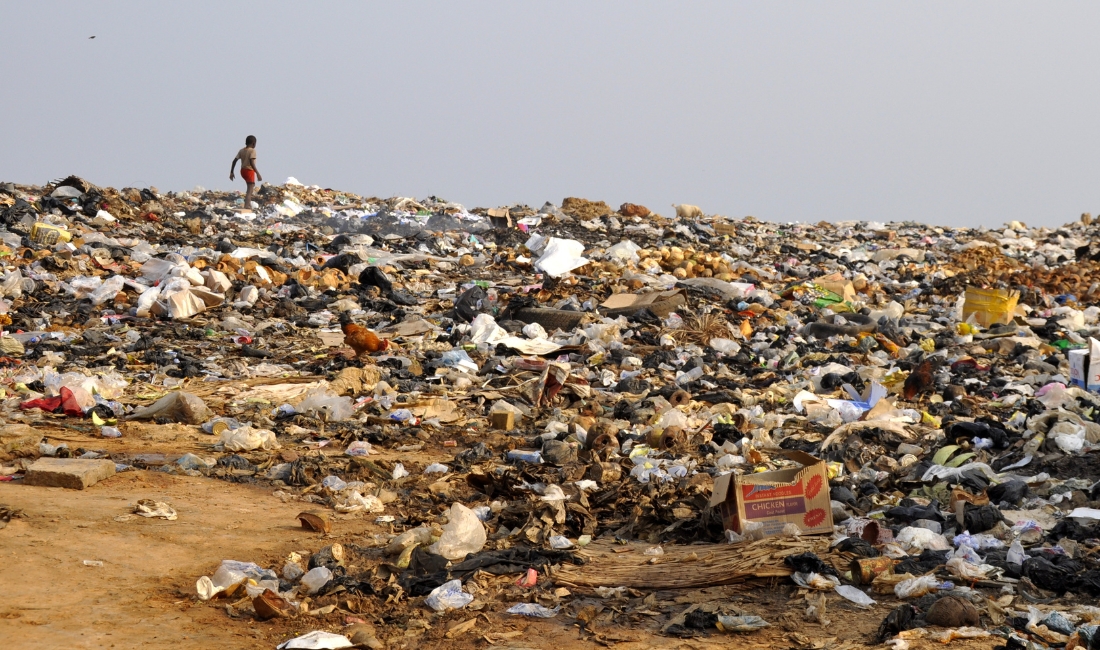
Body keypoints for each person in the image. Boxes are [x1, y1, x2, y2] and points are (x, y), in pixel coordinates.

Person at [229, 135, 262, 210]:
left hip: (242, 171)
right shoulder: (252, 151)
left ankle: (248, 204)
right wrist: (257, 173)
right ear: (253, 144)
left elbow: (234, 161)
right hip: (249, 171)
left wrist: (231, 172)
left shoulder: (241, 150)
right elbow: (252, 162)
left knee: (249, 187)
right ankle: (247, 205)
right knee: (250, 188)